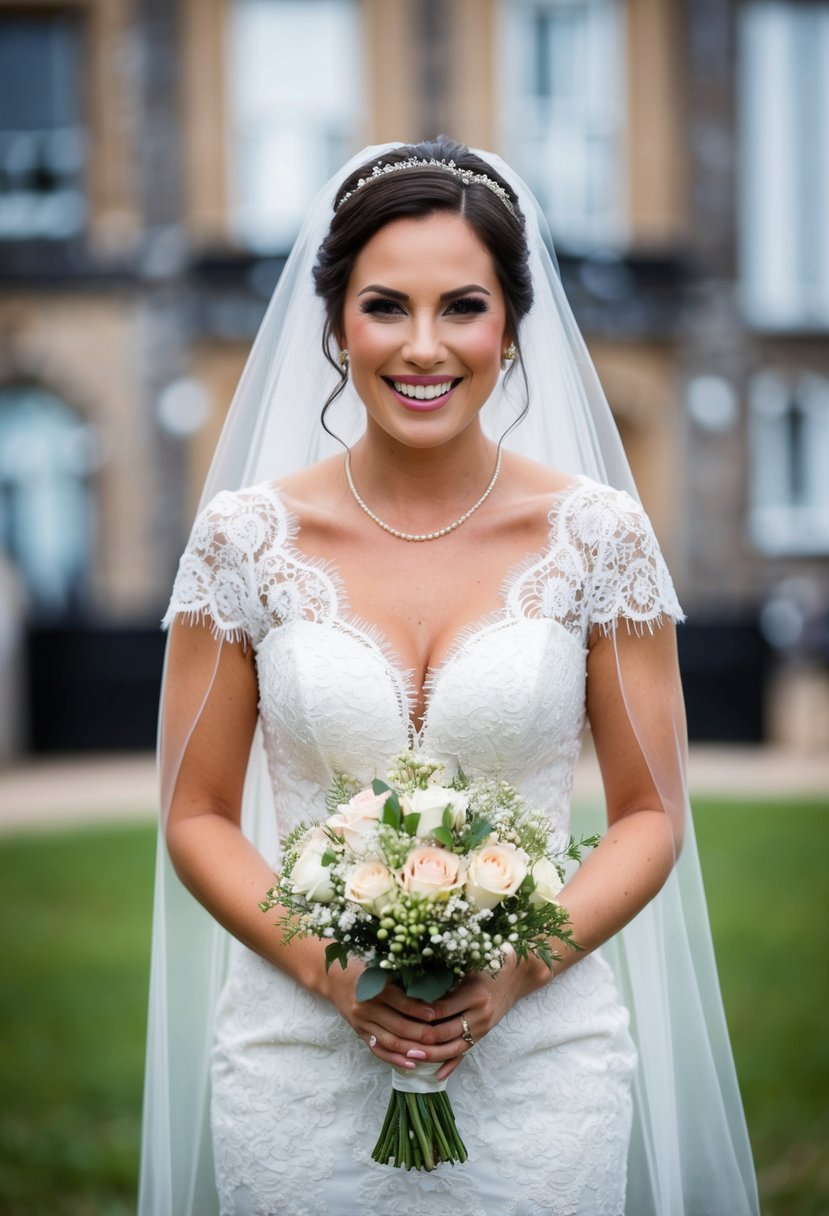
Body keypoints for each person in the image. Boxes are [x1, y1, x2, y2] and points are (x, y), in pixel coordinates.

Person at [138, 138, 758, 1216]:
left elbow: (650, 812)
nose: (423, 348)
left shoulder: (597, 536)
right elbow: (194, 813)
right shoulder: (242, 541)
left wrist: (514, 969)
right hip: (295, 1057)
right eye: (385, 306)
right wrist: (332, 968)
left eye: (461, 307)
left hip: (541, 1064)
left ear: (512, 326)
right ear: (334, 322)